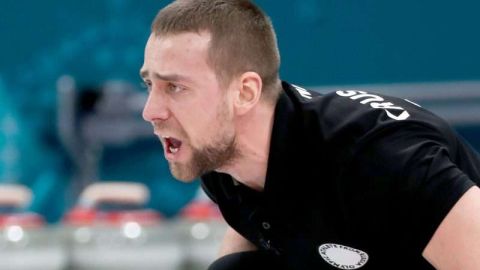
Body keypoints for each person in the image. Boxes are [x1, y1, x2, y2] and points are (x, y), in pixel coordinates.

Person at [140, 0, 480, 269]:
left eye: (176, 87)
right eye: (149, 84)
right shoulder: (224, 163)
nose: (150, 111)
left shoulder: (379, 158)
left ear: (244, 93)